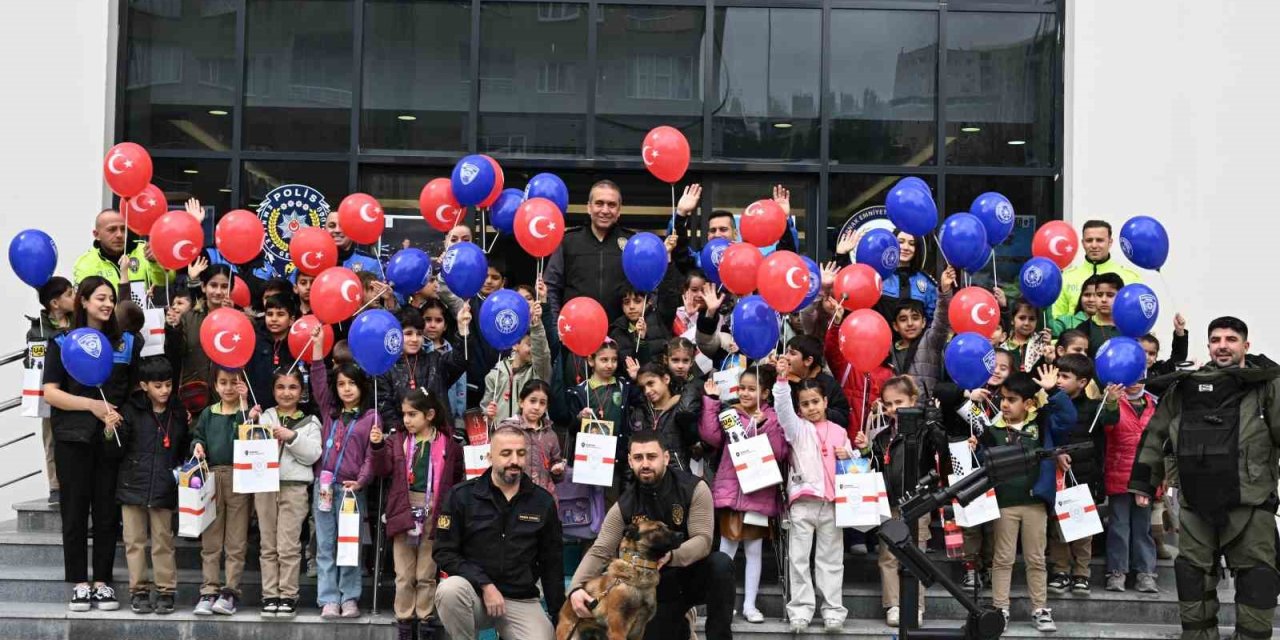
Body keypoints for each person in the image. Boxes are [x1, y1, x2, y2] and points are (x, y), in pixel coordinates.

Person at [1128, 316, 1280, 640]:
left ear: (1246, 345)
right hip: (1195, 503)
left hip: (1250, 503)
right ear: (1208, 345)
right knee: (1192, 578)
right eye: (1216, 340)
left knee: (1259, 580)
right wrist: (1143, 482)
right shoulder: (1186, 388)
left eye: (1231, 339)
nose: (1222, 345)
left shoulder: (1267, 385)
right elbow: (1155, 435)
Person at [567, 431, 733, 640]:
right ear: (630, 461)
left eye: (651, 457)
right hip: (655, 589)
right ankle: (681, 624)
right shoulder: (625, 504)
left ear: (665, 457)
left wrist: (671, 556)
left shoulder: (694, 488)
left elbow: (703, 541)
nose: (645, 464)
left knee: (721, 564)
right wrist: (574, 589)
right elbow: (601, 549)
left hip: (689, 574)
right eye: (638, 458)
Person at [43, 275, 143, 612]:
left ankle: (102, 582)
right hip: (73, 437)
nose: (107, 304)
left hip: (110, 437)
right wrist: (91, 406)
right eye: (100, 297)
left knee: (105, 512)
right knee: (74, 512)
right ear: (82, 301)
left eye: (111, 299)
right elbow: (51, 392)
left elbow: (131, 392)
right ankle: (79, 583)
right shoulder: (62, 342)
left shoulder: (125, 343)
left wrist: (119, 416)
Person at [433, 424, 563, 640]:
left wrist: (560, 615)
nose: (515, 460)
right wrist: (484, 583)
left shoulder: (543, 502)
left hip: (520, 599)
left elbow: (552, 563)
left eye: (521, 453)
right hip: (475, 594)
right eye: (506, 453)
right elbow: (443, 552)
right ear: (489, 457)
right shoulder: (461, 496)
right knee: (449, 590)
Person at [978, 368, 1075, 632]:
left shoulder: (1041, 423)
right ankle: (1000, 610)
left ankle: (1040, 609)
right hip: (1004, 504)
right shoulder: (992, 429)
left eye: (1012, 400)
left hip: (1035, 504)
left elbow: (1068, 418)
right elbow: (982, 460)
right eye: (1003, 399)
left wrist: (1053, 391)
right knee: (1003, 559)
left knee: (1036, 558)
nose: (1005, 404)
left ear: (1029, 403)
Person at [373, 388, 465, 640]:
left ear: (430, 414)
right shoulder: (398, 441)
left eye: (413, 414)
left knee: (426, 573)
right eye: (404, 414)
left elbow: (456, 477)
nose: (406, 420)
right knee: (404, 573)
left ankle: (425, 618)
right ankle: (404, 618)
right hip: (404, 508)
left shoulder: (448, 443)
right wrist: (378, 446)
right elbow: (382, 470)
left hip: (434, 510)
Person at [698, 367, 787, 624]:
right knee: (726, 549)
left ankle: (750, 604)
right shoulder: (731, 414)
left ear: (765, 393)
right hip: (730, 492)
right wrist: (712, 402)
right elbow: (711, 437)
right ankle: (722, 604)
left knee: (754, 550)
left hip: (759, 494)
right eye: (742, 388)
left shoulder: (772, 416)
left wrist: (765, 425)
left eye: (752, 389)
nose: (745, 393)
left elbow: (781, 452)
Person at [772, 359, 851, 633]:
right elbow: (782, 411)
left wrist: (850, 453)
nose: (811, 408)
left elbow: (851, 468)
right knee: (798, 559)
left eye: (815, 402)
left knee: (830, 560)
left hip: (832, 505)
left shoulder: (841, 432)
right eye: (805, 404)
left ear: (825, 401)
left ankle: (832, 611)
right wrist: (781, 382)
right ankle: (801, 612)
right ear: (799, 408)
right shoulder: (797, 429)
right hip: (803, 503)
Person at [108, 356, 187, 615]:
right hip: (132, 484)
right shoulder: (130, 410)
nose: (164, 390)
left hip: (164, 485)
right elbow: (116, 450)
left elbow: (182, 447)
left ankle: (165, 591)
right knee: (134, 541)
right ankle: (138, 590)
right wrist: (110, 431)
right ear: (144, 386)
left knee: (164, 540)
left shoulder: (177, 412)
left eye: (167, 384)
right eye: (158, 386)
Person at [309, 325, 377, 619]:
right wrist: (317, 346)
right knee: (325, 545)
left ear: (361, 386)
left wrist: (361, 481)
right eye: (341, 384)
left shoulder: (371, 417)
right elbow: (317, 380)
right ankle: (328, 599)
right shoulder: (329, 411)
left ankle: (350, 597)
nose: (346, 389)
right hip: (324, 488)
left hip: (352, 490)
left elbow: (371, 457)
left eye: (352, 383)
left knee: (349, 545)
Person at [865, 376, 941, 628]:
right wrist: (867, 449)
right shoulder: (883, 435)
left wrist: (933, 422)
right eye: (887, 404)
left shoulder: (925, 431)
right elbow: (876, 466)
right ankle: (894, 605)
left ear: (913, 400)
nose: (893, 409)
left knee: (915, 554)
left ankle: (916, 606)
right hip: (890, 502)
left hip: (918, 502)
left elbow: (940, 451)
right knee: (888, 556)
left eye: (899, 402)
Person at [250, 368, 322, 618]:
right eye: (280, 387)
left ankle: (288, 595)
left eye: (292, 387)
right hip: (265, 486)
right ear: (273, 390)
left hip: (294, 487)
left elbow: (313, 454)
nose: (286, 393)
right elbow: (249, 447)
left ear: (301, 392)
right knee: (267, 544)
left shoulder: (311, 421)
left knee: (288, 545)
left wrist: (291, 437)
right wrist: (251, 422)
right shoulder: (266, 416)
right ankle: (270, 595)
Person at [189, 367, 254, 616]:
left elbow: (246, 435)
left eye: (233, 383)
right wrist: (197, 447)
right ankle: (209, 590)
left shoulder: (244, 412)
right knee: (211, 539)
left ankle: (230, 591)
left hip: (240, 478)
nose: (228, 388)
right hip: (212, 477)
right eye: (223, 383)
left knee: (236, 540)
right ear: (215, 386)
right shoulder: (208, 413)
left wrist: (243, 403)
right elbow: (198, 437)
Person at [1047, 353, 1105, 596]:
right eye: (1058, 375)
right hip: (1058, 477)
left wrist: (1110, 401)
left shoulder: (1093, 408)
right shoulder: (1050, 405)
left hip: (1084, 476)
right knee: (1057, 526)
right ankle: (1060, 571)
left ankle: (1082, 573)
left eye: (1065, 376)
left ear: (1082, 382)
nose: (1059, 380)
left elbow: (1107, 428)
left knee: (1083, 529)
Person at [1099, 380, 1160, 593]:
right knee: (1119, 525)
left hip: (1145, 476)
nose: (1135, 384)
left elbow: (1161, 442)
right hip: (1119, 474)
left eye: (1141, 378)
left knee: (1143, 527)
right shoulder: (1113, 401)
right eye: (1130, 379)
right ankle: (1117, 572)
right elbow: (1106, 425)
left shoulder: (1154, 404)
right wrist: (1111, 403)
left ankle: (1146, 573)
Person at [544, 180, 636, 322]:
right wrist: (556, 325)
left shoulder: (633, 243)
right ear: (589, 207)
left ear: (619, 211)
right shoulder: (568, 241)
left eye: (611, 205)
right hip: (576, 331)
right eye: (599, 203)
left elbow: (648, 290)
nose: (605, 210)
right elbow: (551, 286)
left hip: (621, 336)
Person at [378, 305, 470, 432]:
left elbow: (460, 360)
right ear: (395, 335)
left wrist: (462, 330)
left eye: (419, 334)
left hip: (439, 437)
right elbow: (386, 410)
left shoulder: (436, 360)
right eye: (408, 334)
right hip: (404, 443)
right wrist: (404, 437)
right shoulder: (386, 369)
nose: (415, 339)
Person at [27, 276, 74, 504]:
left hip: (76, 388)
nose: (74, 298)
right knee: (51, 438)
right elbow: (31, 361)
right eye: (69, 294)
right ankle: (55, 485)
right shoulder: (37, 330)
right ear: (55, 303)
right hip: (51, 390)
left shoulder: (80, 322)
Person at [166, 257, 233, 415]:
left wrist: (230, 316)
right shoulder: (188, 317)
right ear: (203, 287)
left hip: (227, 399)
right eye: (213, 285)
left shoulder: (237, 320)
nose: (218, 291)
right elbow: (176, 353)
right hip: (194, 398)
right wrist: (173, 328)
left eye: (224, 286)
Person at [1049, 220, 1142, 322]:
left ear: (1110, 242)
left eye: (1099, 240)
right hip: (1076, 336)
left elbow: (1137, 317)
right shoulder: (1066, 278)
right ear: (1083, 243)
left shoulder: (1130, 277)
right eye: (1089, 240)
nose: (1094, 245)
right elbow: (1056, 320)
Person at [887, 266, 956, 398]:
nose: (910, 323)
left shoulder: (930, 340)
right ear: (895, 326)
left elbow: (942, 319)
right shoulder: (889, 349)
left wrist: (945, 290)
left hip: (927, 412)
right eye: (903, 319)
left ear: (924, 322)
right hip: (898, 413)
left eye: (915, 317)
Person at [483, 296, 551, 424]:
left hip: (530, 438)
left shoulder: (538, 372)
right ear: (515, 344)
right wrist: (488, 415)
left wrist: (536, 325)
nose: (533, 350)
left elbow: (542, 354)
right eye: (529, 345)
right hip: (502, 437)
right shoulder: (496, 373)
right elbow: (485, 409)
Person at [627, 362, 700, 472]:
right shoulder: (639, 414)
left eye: (651, 383)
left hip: (677, 478)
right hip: (646, 479)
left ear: (666, 379)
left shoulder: (681, 408)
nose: (647, 391)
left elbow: (693, 439)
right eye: (643, 388)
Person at [496, 380, 563, 498]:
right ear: (521, 402)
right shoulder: (507, 430)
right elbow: (496, 463)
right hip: (512, 497)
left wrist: (557, 470)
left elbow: (556, 464)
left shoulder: (550, 434)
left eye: (542, 403)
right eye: (532, 401)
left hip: (543, 498)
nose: (537, 407)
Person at [782, 335, 851, 427]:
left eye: (792, 353)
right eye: (786, 352)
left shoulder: (828, 384)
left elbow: (843, 417)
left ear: (808, 361)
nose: (786, 357)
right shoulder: (782, 382)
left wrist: (820, 410)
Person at [326, 211, 384, 276]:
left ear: (353, 230)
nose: (337, 230)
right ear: (325, 229)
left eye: (343, 226)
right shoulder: (315, 262)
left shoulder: (370, 262)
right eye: (332, 226)